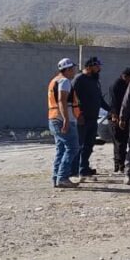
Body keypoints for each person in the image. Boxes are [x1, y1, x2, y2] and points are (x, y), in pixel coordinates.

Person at [71, 56, 109, 177]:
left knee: (89, 145)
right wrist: (78, 114)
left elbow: (100, 99)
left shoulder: (94, 80)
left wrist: (111, 110)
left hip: (93, 118)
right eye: (97, 66)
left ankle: (84, 168)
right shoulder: (79, 79)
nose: (99, 69)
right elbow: (72, 98)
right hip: (82, 119)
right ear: (89, 67)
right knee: (78, 145)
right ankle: (74, 170)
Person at [47, 58, 79, 189]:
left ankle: (57, 178)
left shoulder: (54, 80)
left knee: (61, 149)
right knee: (73, 147)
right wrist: (66, 119)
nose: (74, 71)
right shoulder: (64, 81)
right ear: (68, 69)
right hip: (62, 119)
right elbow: (62, 100)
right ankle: (63, 178)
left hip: (54, 118)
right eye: (73, 69)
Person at [108, 67, 130, 174]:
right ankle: (120, 165)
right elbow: (114, 103)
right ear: (125, 76)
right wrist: (115, 117)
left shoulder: (127, 85)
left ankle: (120, 165)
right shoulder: (116, 86)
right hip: (116, 118)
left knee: (123, 142)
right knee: (119, 142)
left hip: (124, 117)